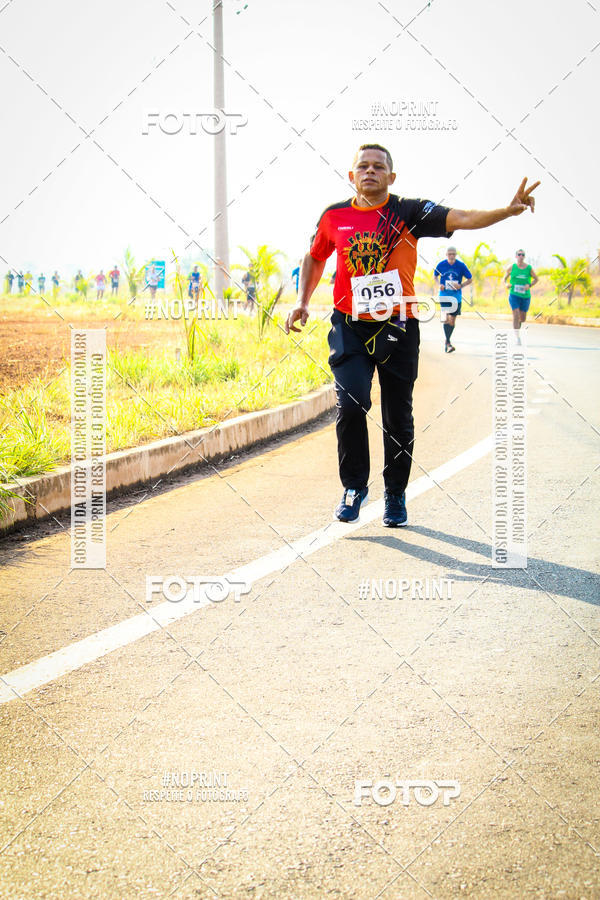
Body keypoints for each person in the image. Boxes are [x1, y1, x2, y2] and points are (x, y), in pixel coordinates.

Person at [285, 143, 539, 527]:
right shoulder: (334, 216)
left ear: (391, 176)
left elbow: (463, 217)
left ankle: (395, 494)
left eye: (378, 167)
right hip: (349, 325)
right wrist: (302, 300)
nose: (370, 171)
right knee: (352, 405)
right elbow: (316, 255)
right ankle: (354, 487)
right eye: (363, 167)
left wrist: (506, 210)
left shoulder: (409, 212)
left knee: (397, 415)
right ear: (351, 176)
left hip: (398, 326)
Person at [433, 247, 473, 353]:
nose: (451, 256)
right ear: (446, 254)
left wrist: (461, 285)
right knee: (445, 318)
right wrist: (439, 285)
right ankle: (448, 343)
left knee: (452, 321)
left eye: (453, 254)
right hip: (444, 295)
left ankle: (447, 341)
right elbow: (435, 276)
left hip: (456, 297)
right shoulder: (441, 264)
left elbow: (470, 279)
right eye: (449, 254)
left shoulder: (461, 265)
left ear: (456, 255)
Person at [504, 249, 538, 338]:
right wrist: (506, 284)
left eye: (523, 255)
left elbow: (536, 279)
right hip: (514, 295)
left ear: (524, 257)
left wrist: (529, 285)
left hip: (525, 296)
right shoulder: (511, 267)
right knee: (515, 314)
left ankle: (518, 326)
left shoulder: (529, 268)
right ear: (516, 256)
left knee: (522, 318)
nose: (521, 256)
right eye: (519, 254)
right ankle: (517, 337)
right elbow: (504, 279)